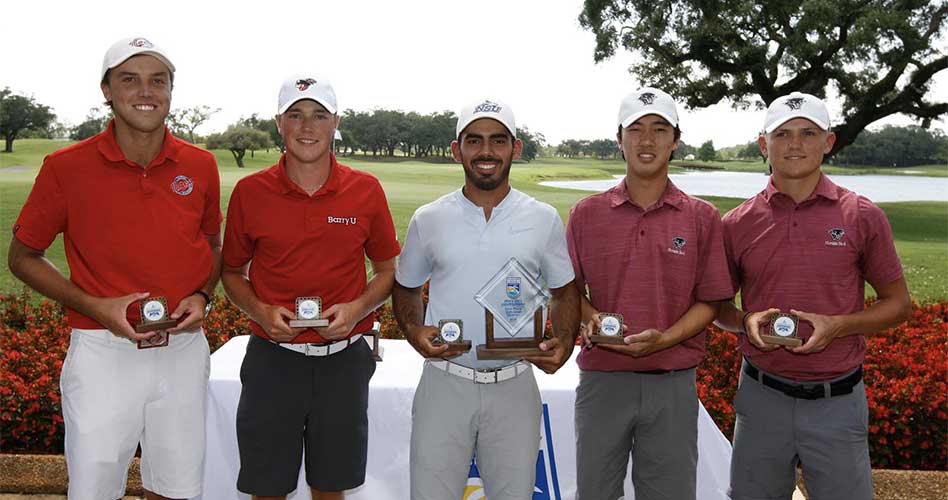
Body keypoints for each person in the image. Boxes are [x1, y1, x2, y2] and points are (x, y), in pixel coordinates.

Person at [7, 37, 222, 500]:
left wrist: (203, 294)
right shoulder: (66, 166)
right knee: (94, 490)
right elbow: (22, 257)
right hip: (102, 350)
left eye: (157, 80)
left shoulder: (201, 165)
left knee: (179, 488)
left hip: (184, 350)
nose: (145, 90)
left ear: (170, 90)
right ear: (106, 89)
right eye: (129, 79)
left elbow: (211, 242)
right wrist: (95, 306)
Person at [716, 92, 911, 500]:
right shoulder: (736, 223)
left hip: (836, 400)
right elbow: (717, 307)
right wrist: (745, 322)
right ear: (763, 145)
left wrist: (840, 325)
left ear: (829, 142)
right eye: (782, 134)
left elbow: (897, 303)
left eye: (808, 133)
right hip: (761, 397)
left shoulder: (861, 215)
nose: (795, 145)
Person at [220, 75, 400, 500]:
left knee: (331, 488)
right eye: (296, 115)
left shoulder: (365, 189)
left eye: (319, 115)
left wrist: (356, 309)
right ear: (278, 123)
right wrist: (260, 311)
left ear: (335, 122)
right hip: (272, 360)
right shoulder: (251, 191)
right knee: (268, 488)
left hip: (343, 362)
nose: (307, 126)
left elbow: (388, 270)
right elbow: (231, 272)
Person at [391, 99, 580, 500]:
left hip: (514, 382)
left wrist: (562, 343)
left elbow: (564, 290)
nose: (486, 151)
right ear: (457, 150)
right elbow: (406, 286)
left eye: (498, 140)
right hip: (446, 380)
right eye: (474, 141)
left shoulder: (542, 217)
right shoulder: (429, 218)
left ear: (516, 148)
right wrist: (413, 329)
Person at [565, 87, 734, 500]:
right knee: (595, 493)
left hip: (672, 383)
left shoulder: (702, 216)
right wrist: (590, 318)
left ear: (676, 140)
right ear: (618, 138)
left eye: (659, 129)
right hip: (603, 379)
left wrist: (664, 339)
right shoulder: (587, 214)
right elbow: (568, 290)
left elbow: (711, 300)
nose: (647, 140)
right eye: (635, 129)